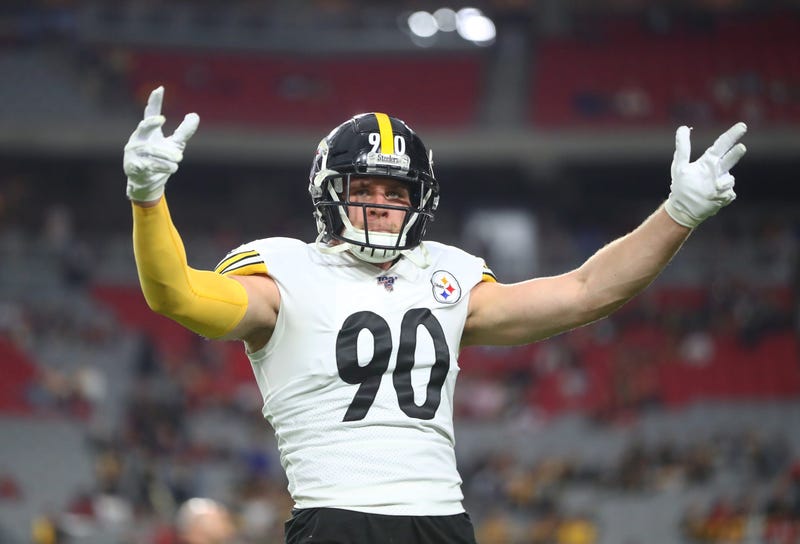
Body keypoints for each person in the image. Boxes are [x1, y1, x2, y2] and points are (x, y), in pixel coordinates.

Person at [124, 86, 747, 544]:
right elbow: (175, 294)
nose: (380, 205)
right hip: (338, 518)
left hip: (444, 522)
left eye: (395, 193)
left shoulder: (444, 275)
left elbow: (587, 292)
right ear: (328, 193)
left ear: (417, 202)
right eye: (364, 188)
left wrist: (678, 215)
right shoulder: (283, 272)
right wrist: (148, 199)